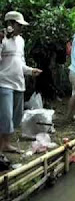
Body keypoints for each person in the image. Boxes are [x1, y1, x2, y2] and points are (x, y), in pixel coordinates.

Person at [0, 11, 42, 154]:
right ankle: (2, 145)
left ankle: (6, 144)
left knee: (16, 118)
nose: (21, 28)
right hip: (4, 83)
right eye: (18, 25)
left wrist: (30, 71)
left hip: (19, 83)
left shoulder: (21, 41)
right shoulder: (2, 40)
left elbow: (20, 63)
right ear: (10, 24)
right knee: (5, 117)